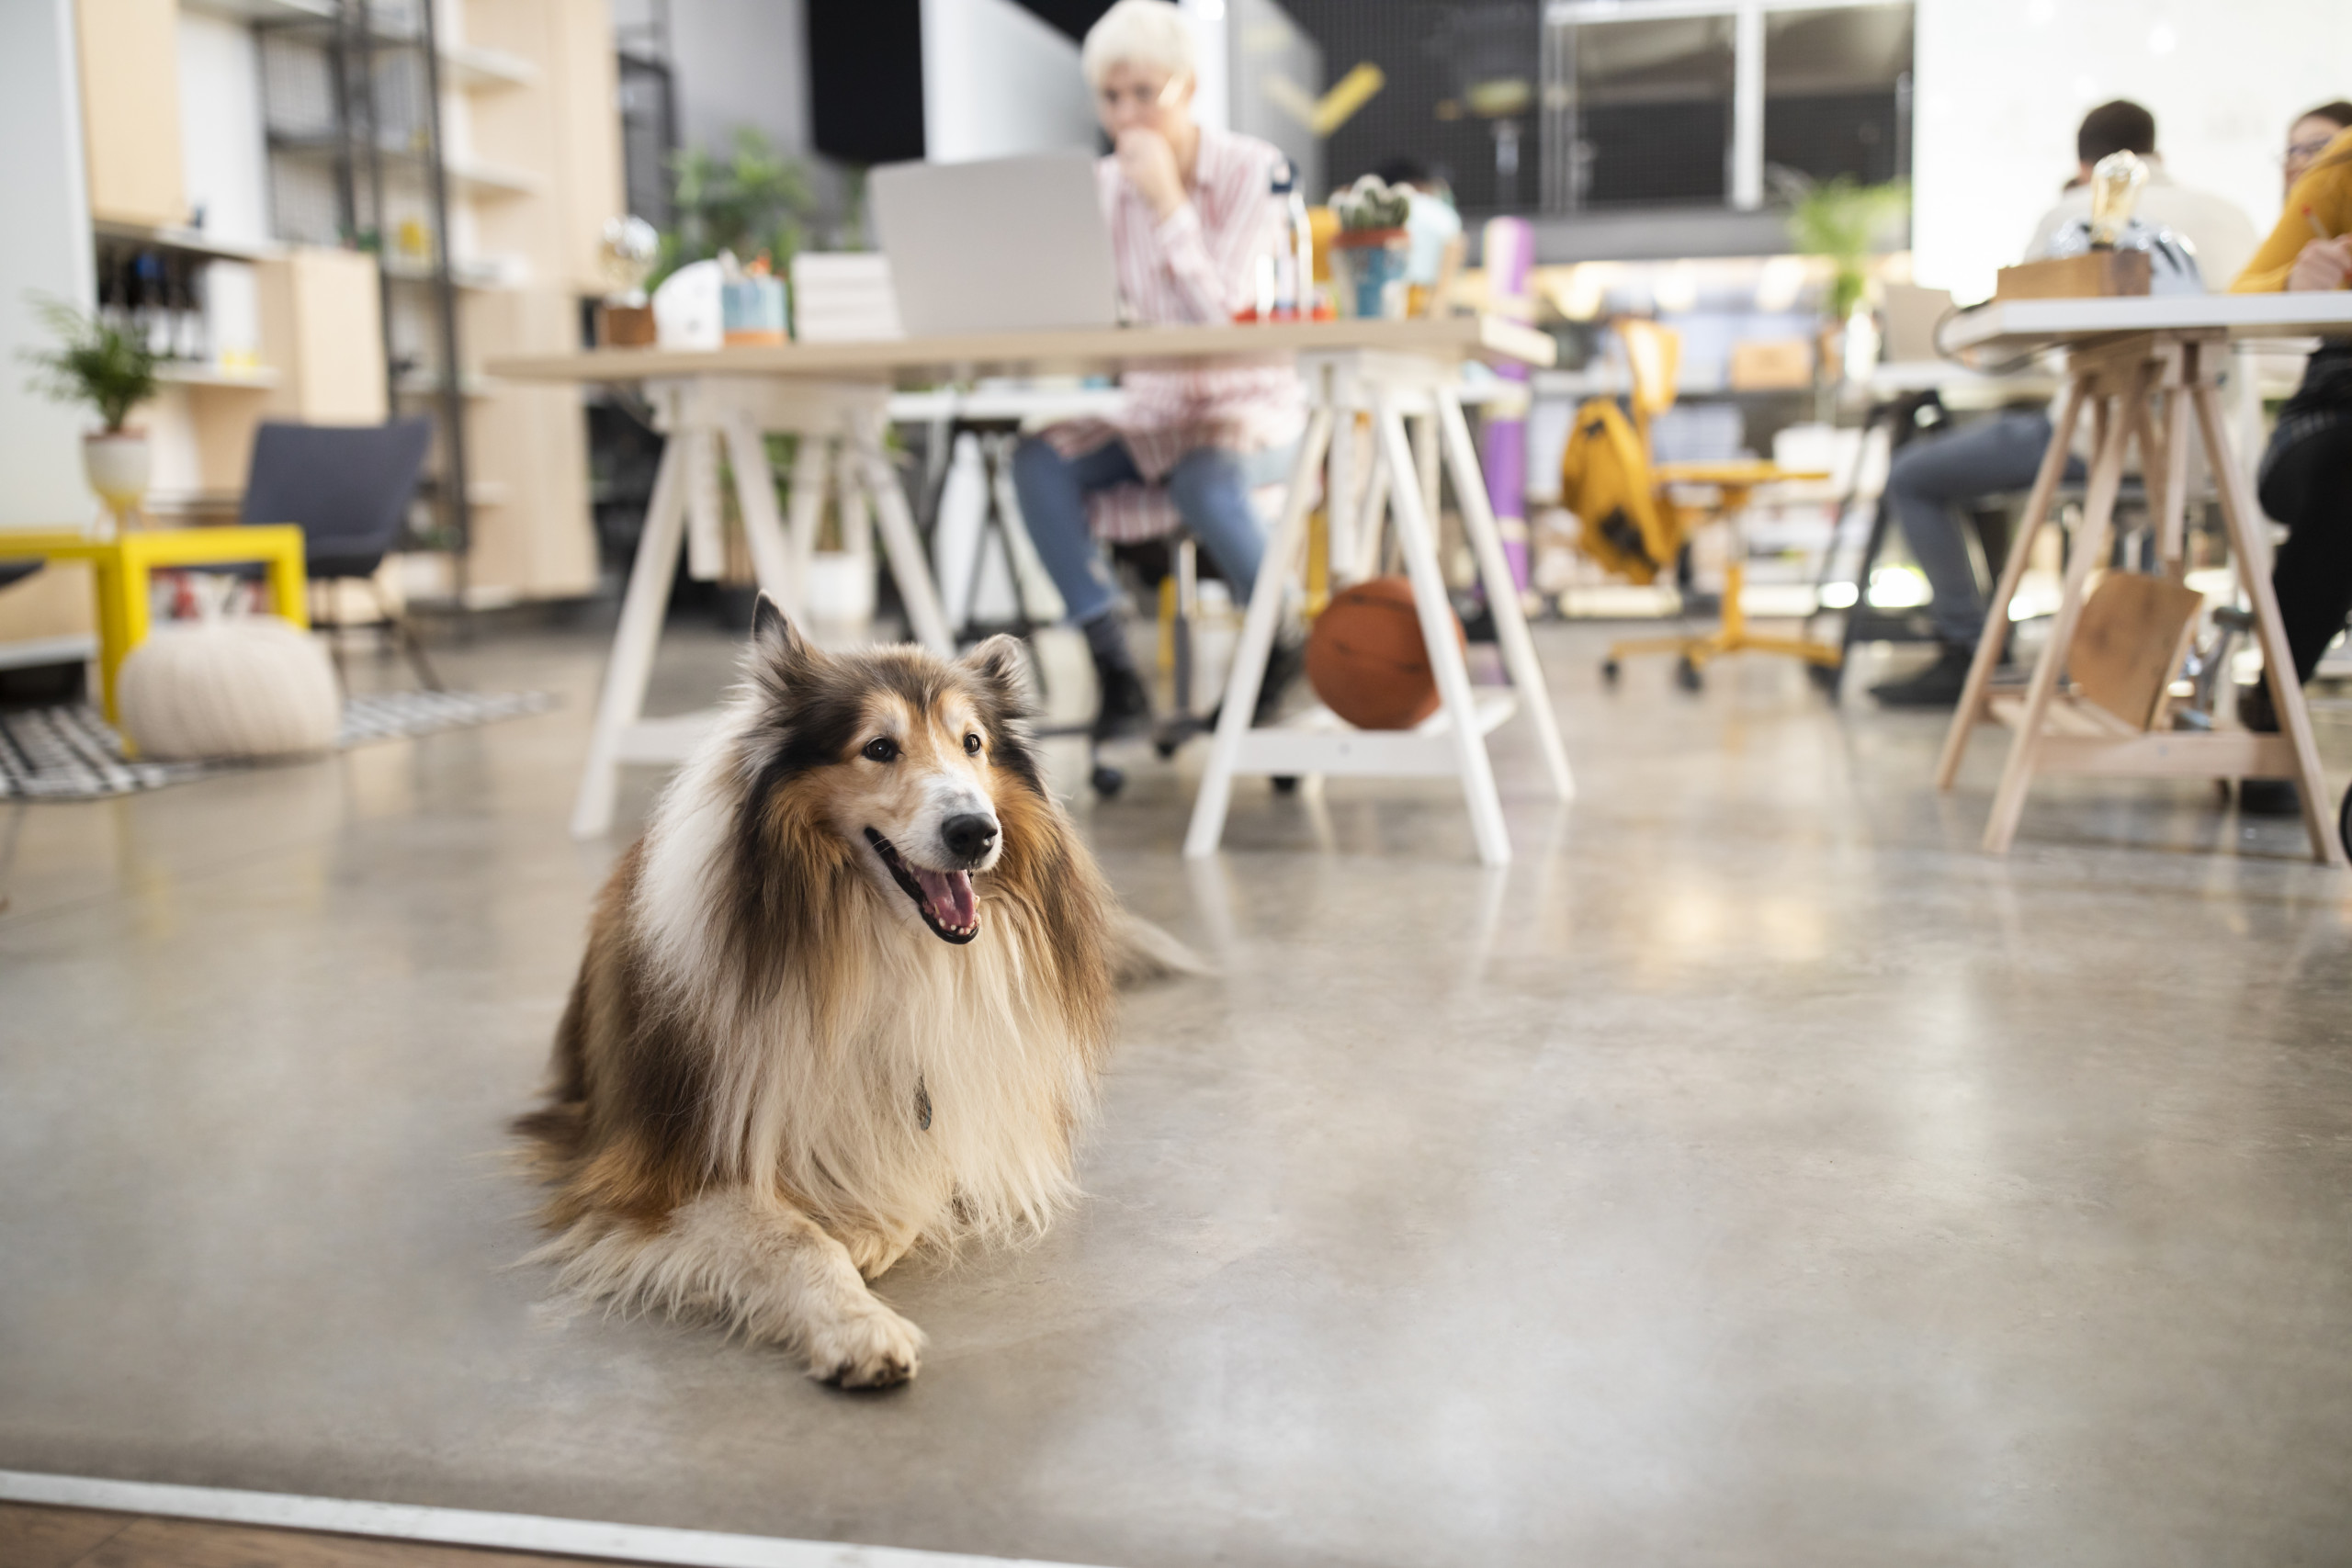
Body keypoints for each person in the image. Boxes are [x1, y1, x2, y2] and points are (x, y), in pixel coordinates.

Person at [1872, 101, 2262, 705]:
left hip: (2099, 444)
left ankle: (1968, 644)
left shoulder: (2074, 216)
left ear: (2085, 166)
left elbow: (2021, 335)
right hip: (2212, 452)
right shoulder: (2230, 217)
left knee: (1915, 473)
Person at [1010, 0, 1305, 740]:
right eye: (1112, 97)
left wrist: (1169, 203)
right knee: (1038, 460)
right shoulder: (1101, 187)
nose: (1127, 114)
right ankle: (1114, 667)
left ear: (1190, 87)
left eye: (1146, 93)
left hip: (1250, 407)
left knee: (1205, 478)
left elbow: (1226, 315)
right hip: (1154, 407)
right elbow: (1088, 309)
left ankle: (1281, 641)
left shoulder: (1251, 169)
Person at [2227, 111, 2352, 813]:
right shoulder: (2343, 170)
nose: (2301, 164)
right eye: (2295, 150)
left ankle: (2272, 704)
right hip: (2329, 418)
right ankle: (2273, 708)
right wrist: (2294, 280)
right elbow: (2233, 296)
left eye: (2314, 148)